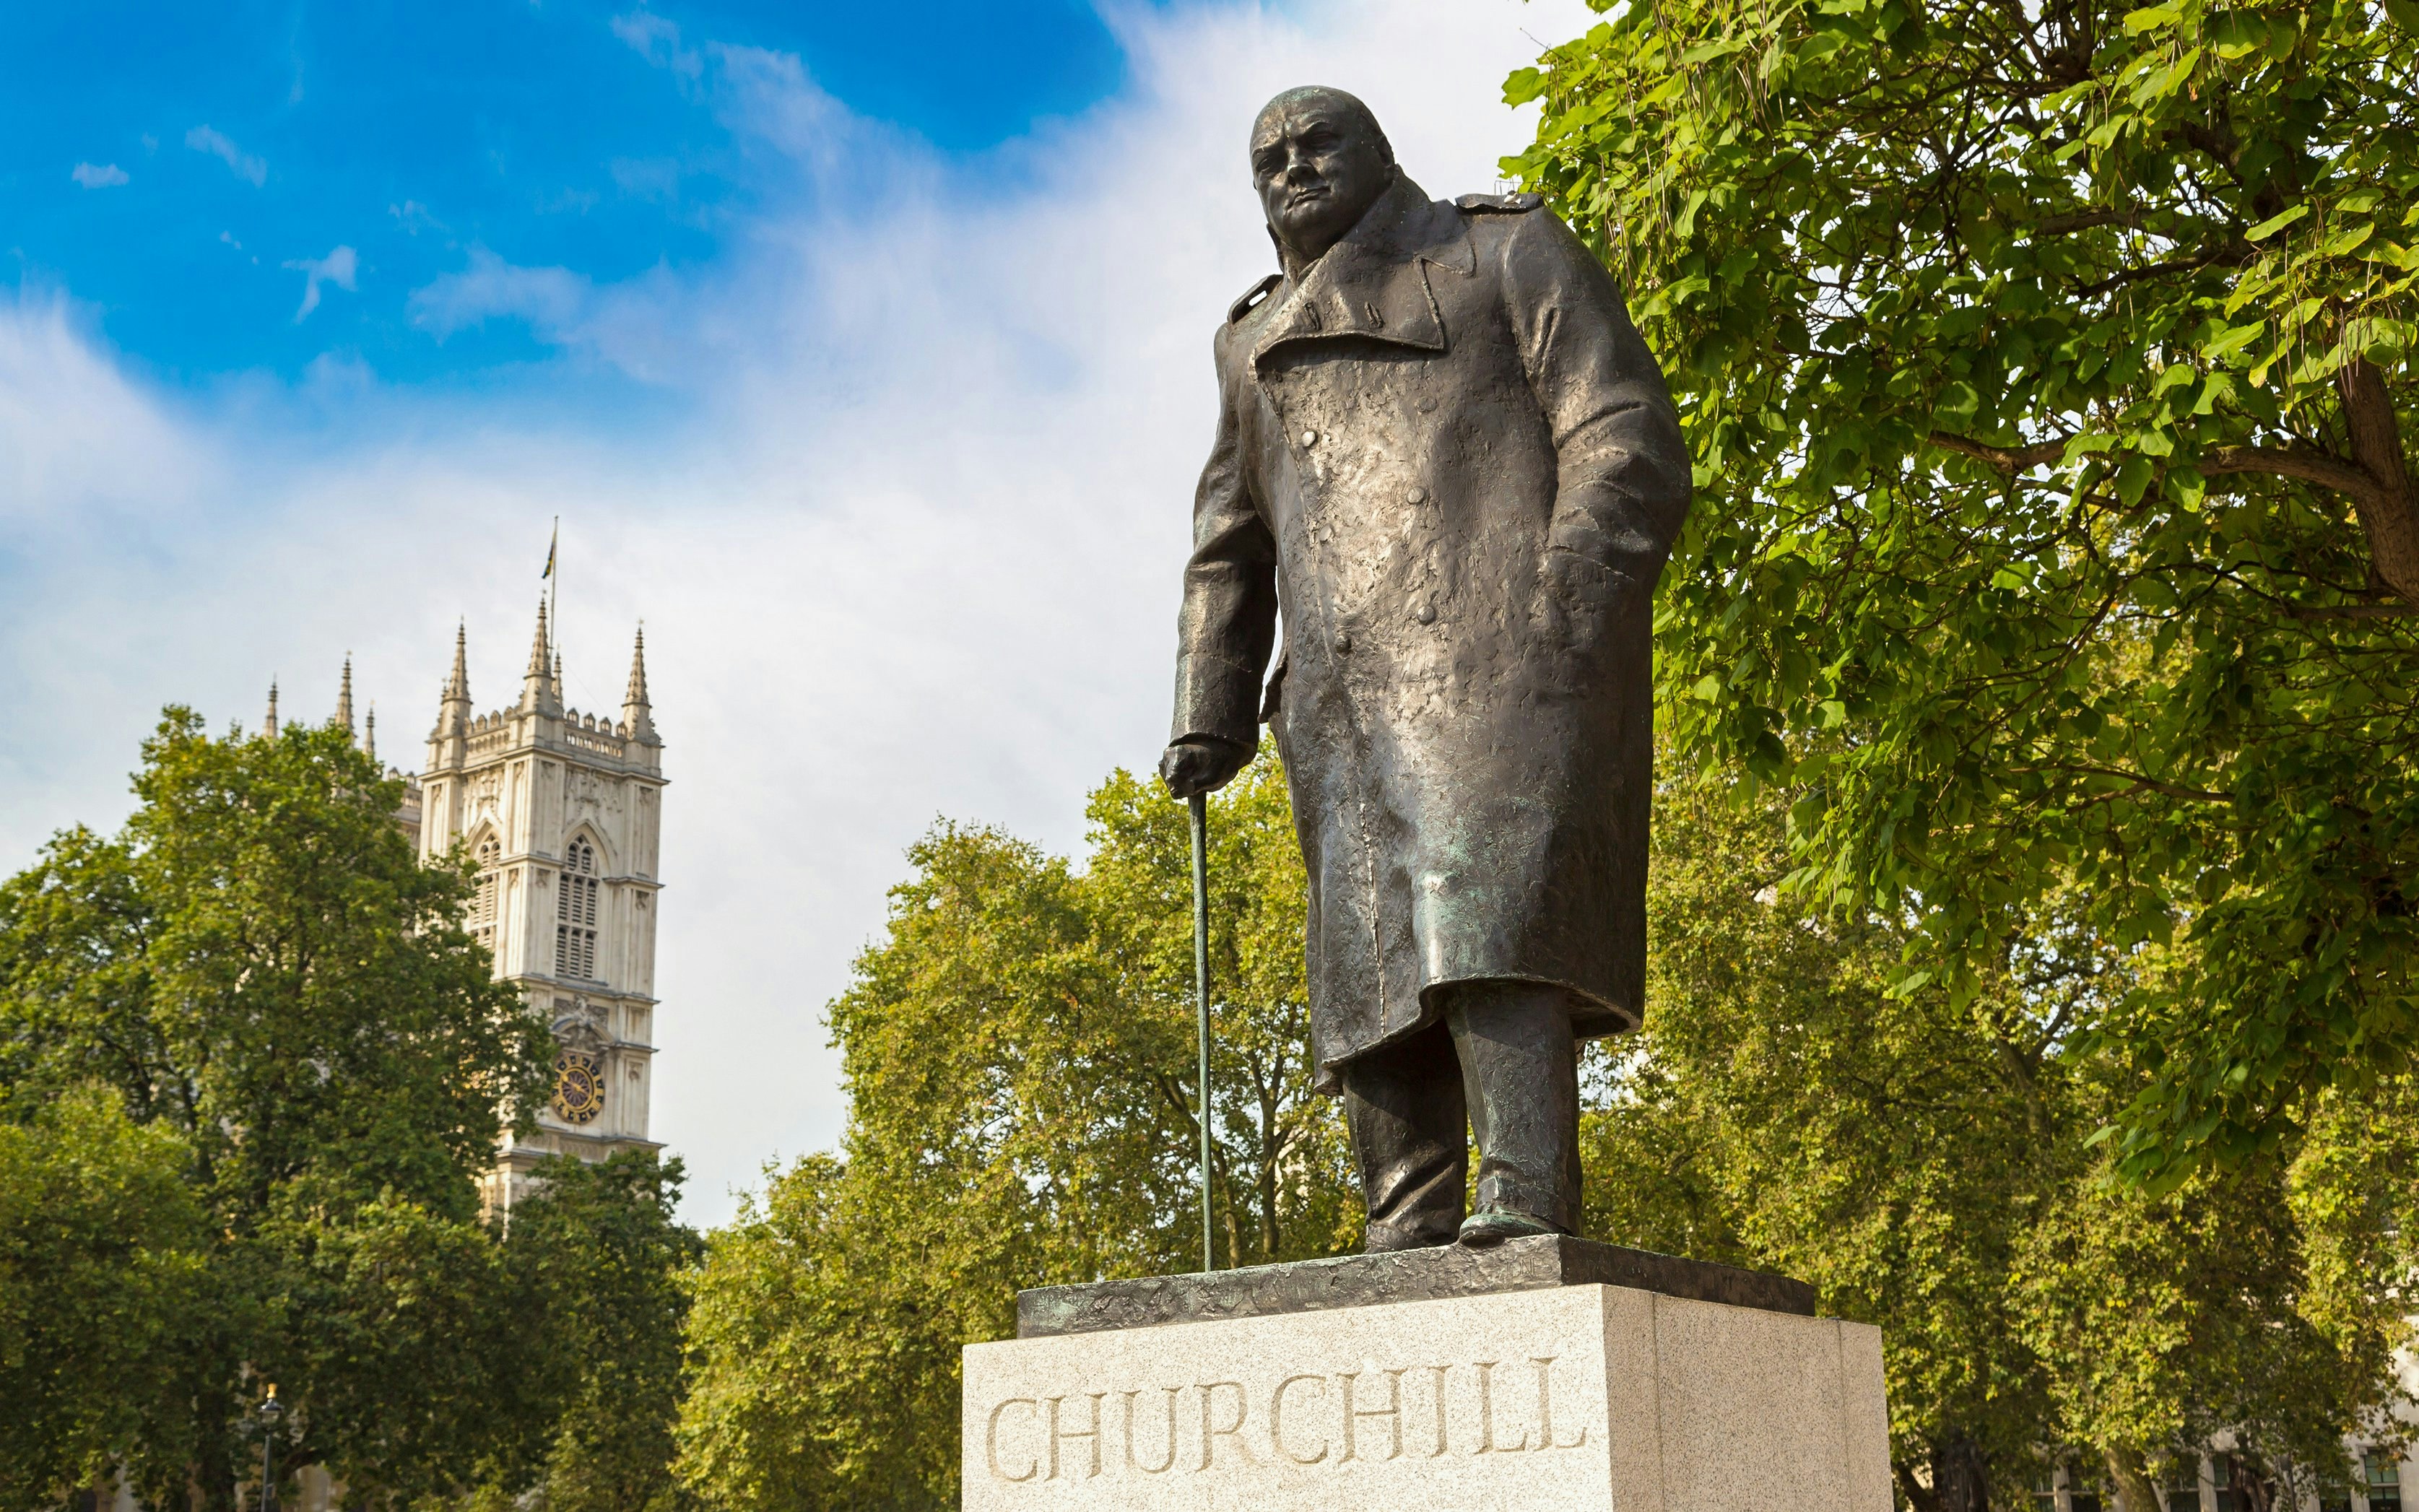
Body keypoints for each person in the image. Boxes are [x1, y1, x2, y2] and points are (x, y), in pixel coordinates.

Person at [1159, 85, 1691, 1249]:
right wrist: (1211, 705)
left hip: (1501, 657)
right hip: (1342, 693)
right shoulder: (1248, 344)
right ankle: (1403, 1218)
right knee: (1369, 962)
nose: (1295, 170)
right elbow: (1229, 537)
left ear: (1379, 153)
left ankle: (1521, 1192)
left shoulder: (1501, 253)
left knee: (1485, 923)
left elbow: (1624, 437)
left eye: (1319, 144)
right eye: (1270, 160)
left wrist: (1566, 604)